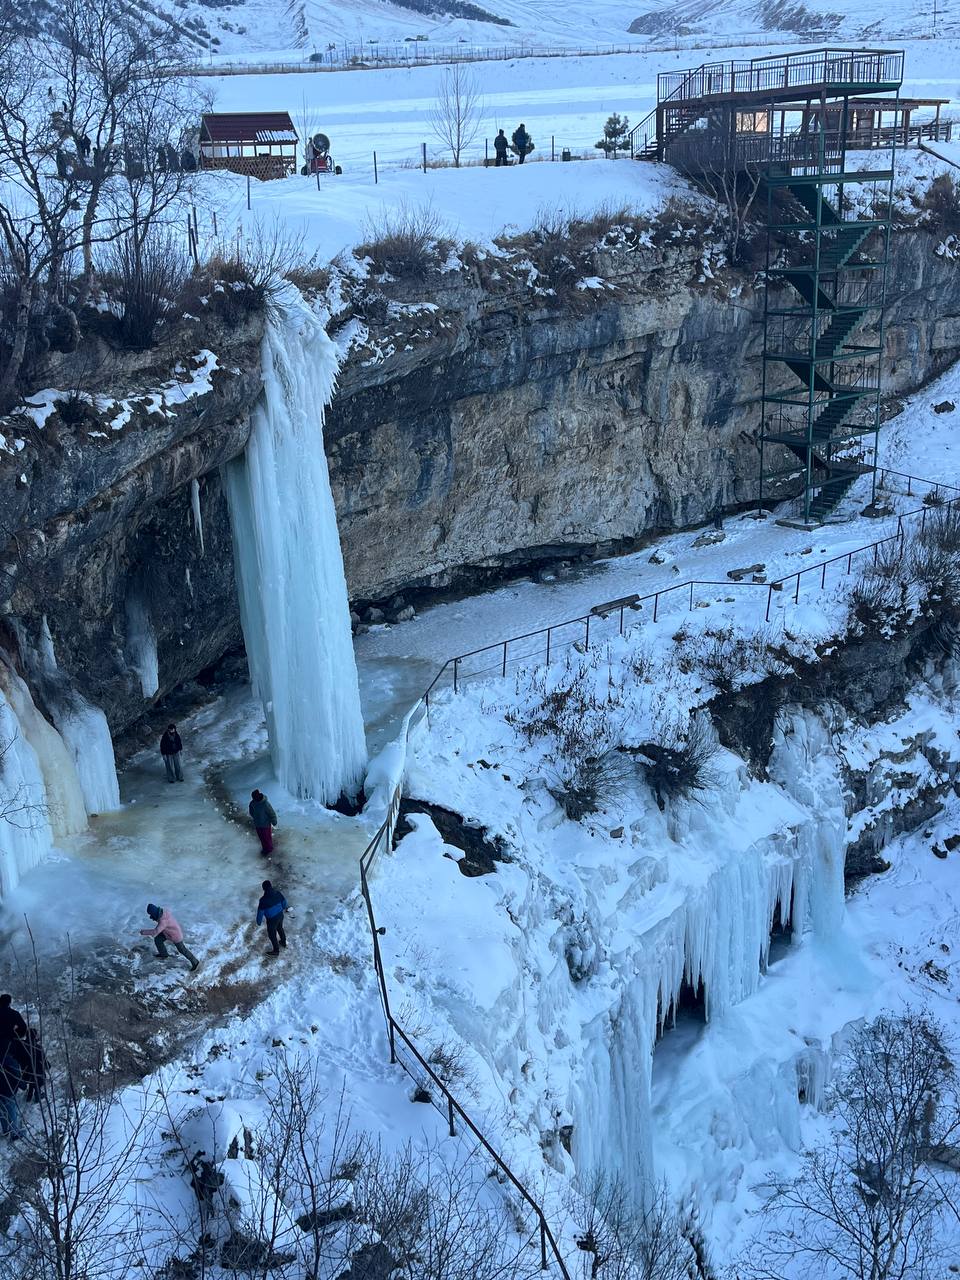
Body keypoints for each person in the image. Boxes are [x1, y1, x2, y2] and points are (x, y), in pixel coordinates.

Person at [140, 903, 199, 971]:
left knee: (182, 950)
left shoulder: (163, 922)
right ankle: (164, 954)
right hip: (167, 932)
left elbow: (155, 932)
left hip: (175, 935)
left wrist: (143, 932)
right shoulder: (164, 912)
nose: (151, 916)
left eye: (151, 915)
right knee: (158, 939)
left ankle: (195, 962)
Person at [15, 1028, 47, 1104]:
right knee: (38, 1075)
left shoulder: (21, 1045)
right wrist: (48, 1066)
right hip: (36, 1075)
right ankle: (37, 1096)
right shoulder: (38, 1048)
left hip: (25, 1073)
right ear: (35, 1036)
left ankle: (29, 1095)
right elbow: (44, 1062)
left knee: (33, 1074)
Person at [256, 880, 288, 955]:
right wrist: (283, 908)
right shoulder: (278, 893)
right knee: (280, 928)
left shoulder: (263, 900)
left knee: (272, 934)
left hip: (271, 920)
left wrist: (259, 922)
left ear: (263, 888)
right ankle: (283, 942)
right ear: (271, 886)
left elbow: (260, 912)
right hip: (280, 915)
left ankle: (276, 951)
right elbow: (284, 902)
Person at [0, 1048, 22, 1140]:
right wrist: (23, 1085)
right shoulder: (8, 1059)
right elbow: (16, 1074)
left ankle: (6, 1130)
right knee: (11, 1110)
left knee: (2, 1111)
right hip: (8, 1089)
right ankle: (15, 1133)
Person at [249, 790, 278, 855]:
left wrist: (274, 821)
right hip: (258, 824)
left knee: (267, 837)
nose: (253, 799)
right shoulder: (252, 803)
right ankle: (265, 848)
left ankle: (269, 849)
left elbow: (271, 813)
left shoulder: (265, 804)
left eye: (254, 798)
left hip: (265, 825)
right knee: (261, 837)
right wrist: (255, 817)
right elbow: (251, 811)